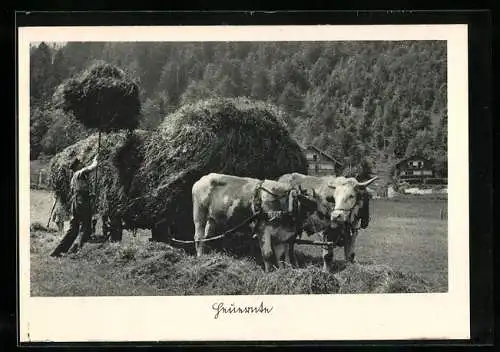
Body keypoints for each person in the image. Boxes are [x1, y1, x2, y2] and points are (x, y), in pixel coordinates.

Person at [50, 154, 99, 257]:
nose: (82, 164)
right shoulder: (78, 173)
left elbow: (81, 190)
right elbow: (92, 167)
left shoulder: (75, 177)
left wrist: (90, 195)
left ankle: (58, 251)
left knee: (73, 229)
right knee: (86, 228)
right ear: (77, 166)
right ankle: (78, 250)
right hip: (82, 204)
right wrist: (96, 160)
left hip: (76, 203)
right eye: (80, 163)